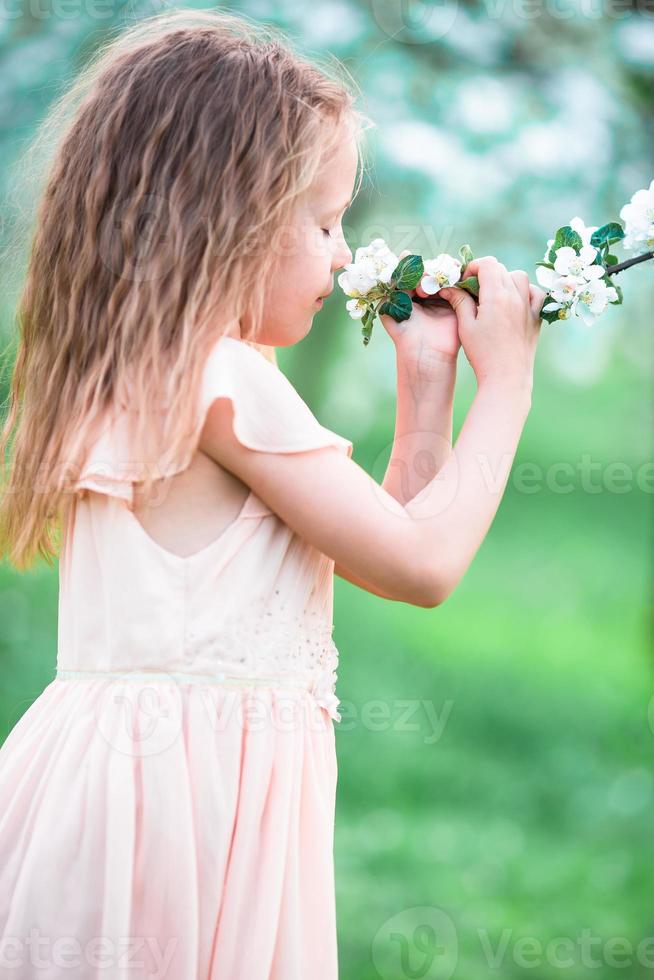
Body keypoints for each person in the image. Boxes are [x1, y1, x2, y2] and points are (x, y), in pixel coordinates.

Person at [0, 9, 546, 979]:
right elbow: (423, 565)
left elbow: (380, 544)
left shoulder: (163, 372)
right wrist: (507, 385)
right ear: (228, 218)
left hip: (130, 800)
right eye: (324, 221)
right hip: (185, 821)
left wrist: (425, 396)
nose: (343, 255)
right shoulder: (225, 381)